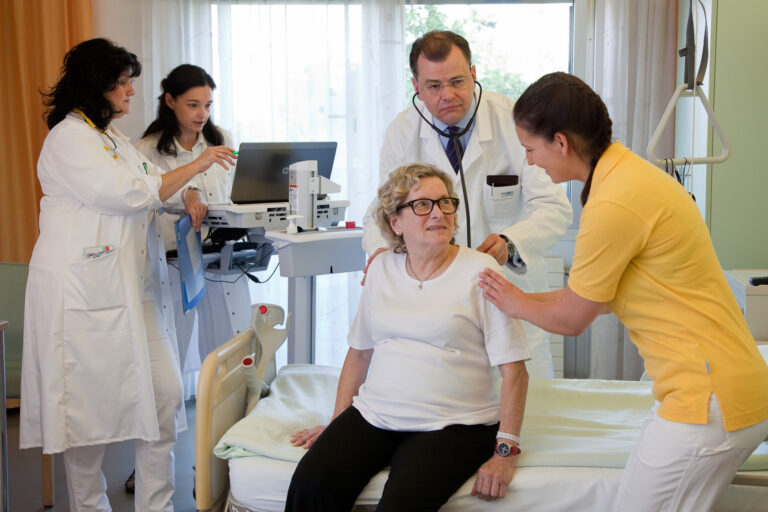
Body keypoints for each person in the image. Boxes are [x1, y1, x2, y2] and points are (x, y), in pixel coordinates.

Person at [478, 71, 768, 511]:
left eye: (530, 149)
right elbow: (589, 299)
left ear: (560, 142)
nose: (530, 161)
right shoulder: (626, 176)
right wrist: (515, 301)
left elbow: (572, 319)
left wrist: (511, 301)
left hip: (706, 395)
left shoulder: (615, 201)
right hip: (722, 386)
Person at [19, 38, 235, 511]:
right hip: (82, 292)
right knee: (84, 414)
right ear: (98, 86)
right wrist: (198, 165)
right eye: (122, 84)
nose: (131, 93)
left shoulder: (110, 137)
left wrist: (189, 194)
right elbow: (130, 194)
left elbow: (153, 186)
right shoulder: (69, 138)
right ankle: (89, 506)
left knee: (165, 397)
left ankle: (155, 505)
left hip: (134, 289)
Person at [287, 164, 530, 511]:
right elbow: (358, 355)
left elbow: (515, 370)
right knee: (310, 484)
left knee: (399, 506)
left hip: (455, 424)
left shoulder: (481, 271)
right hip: (376, 415)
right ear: (395, 222)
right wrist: (337, 425)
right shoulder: (382, 268)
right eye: (422, 205)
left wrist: (505, 451)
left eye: (445, 203)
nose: (438, 213)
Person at [362, 30, 572, 378]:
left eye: (458, 81)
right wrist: (380, 256)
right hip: (433, 303)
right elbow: (380, 213)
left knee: (524, 411)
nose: (448, 95)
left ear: (474, 73)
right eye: (434, 86)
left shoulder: (513, 121)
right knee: (442, 407)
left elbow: (554, 205)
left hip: (503, 289)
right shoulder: (402, 132)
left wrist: (511, 242)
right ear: (416, 86)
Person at [135, 64, 248, 393]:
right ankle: (166, 438)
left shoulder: (221, 139)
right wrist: (187, 194)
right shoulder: (147, 150)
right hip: (175, 263)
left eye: (208, 105)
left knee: (231, 352)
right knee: (173, 350)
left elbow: (232, 192)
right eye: (193, 104)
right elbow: (150, 200)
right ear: (170, 101)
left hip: (224, 259)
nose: (203, 113)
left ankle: (232, 434)